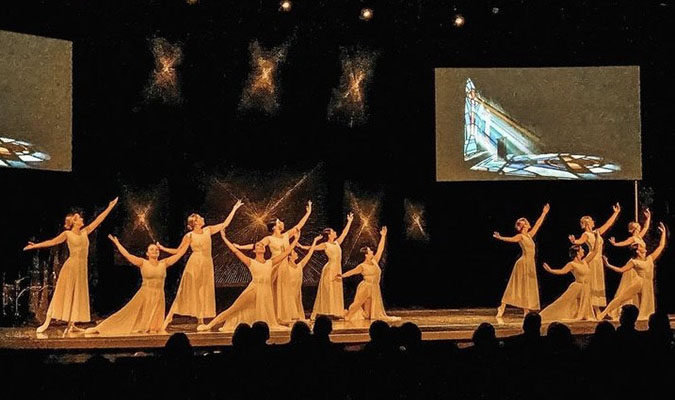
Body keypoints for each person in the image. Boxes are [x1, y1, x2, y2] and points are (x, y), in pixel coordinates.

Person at [24, 197, 119, 335]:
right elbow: (52, 242)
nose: (82, 220)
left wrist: (110, 207)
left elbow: (99, 220)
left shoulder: (85, 232)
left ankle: (72, 324)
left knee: (77, 295)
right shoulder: (67, 234)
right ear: (74, 221)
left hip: (81, 268)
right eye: (79, 218)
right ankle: (47, 322)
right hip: (71, 266)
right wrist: (35, 246)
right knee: (62, 294)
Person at [159, 200, 243, 330]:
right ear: (196, 222)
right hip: (195, 263)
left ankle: (200, 319)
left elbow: (225, 224)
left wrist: (234, 209)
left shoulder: (208, 230)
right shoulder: (189, 235)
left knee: (202, 291)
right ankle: (169, 317)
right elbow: (179, 251)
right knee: (186, 290)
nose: (203, 219)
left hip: (206, 263)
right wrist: (163, 249)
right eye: (200, 218)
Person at [196, 229, 300, 332]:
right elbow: (235, 251)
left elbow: (286, 252)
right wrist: (224, 238)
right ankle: (209, 325)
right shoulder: (251, 262)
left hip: (265, 292)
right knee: (233, 309)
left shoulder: (270, 262)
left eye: (262, 245)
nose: (261, 246)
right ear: (254, 250)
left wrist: (296, 239)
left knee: (260, 315)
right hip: (254, 290)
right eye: (258, 245)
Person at [86, 235, 189, 335]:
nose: (155, 251)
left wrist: (187, 243)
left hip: (159, 295)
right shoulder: (143, 263)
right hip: (145, 294)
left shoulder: (164, 263)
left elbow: (179, 254)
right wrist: (117, 243)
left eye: (156, 250)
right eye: (152, 250)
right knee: (129, 314)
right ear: (147, 254)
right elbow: (127, 255)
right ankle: (102, 328)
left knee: (155, 327)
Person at [599, 222, 667, 320]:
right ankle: (604, 313)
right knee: (622, 298)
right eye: (641, 246)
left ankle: (635, 317)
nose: (644, 246)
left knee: (643, 308)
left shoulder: (650, 258)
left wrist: (663, 233)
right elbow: (621, 269)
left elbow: (661, 246)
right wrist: (608, 264)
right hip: (639, 282)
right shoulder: (634, 262)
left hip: (647, 284)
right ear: (638, 251)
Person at [493, 204, 550, 321]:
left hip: (530, 264)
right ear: (523, 225)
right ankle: (502, 307)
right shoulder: (520, 236)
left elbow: (538, 224)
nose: (529, 223)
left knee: (527, 287)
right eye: (527, 222)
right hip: (522, 263)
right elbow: (511, 239)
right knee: (515, 286)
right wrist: (501, 238)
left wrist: (544, 213)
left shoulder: (529, 235)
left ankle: (526, 310)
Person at [337, 226, 401, 322]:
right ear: (366, 254)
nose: (372, 252)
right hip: (365, 287)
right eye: (370, 251)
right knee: (357, 303)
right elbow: (352, 272)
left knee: (367, 315)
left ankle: (347, 313)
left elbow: (380, 249)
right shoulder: (362, 266)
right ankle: (347, 315)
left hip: (374, 288)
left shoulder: (374, 261)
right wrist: (342, 275)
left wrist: (383, 236)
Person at [568, 203, 621, 312]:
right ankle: (594, 310)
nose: (593, 222)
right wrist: (574, 241)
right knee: (592, 283)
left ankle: (596, 309)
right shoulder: (586, 234)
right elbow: (580, 241)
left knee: (598, 283)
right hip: (592, 259)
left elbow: (608, 224)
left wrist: (616, 213)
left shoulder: (596, 232)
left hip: (598, 260)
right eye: (592, 221)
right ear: (587, 223)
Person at [539, 232, 601, 321]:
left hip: (586, 288)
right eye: (581, 249)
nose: (583, 250)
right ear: (577, 252)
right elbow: (562, 271)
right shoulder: (572, 264)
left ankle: (579, 314)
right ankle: (544, 315)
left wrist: (597, 239)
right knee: (563, 302)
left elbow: (595, 251)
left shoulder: (585, 261)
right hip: (578, 286)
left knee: (578, 305)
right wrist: (551, 270)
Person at [306, 213, 354, 319]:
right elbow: (312, 248)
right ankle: (324, 312)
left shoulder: (337, 243)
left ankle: (335, 312)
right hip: (330, 269)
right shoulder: (325, 245)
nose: (335, 232)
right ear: (329, 235)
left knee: (336, 290)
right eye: (333, 231)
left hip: (337, 269)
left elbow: (345, 234)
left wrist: (349, 221)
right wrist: (301, 246)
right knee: (328, 290)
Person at [275, 234, 323, 324]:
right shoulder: (285, 267)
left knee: (297, 314)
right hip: (287, 294)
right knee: (290, 314)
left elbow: (309, 254)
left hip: (296, 293)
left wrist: (315, 241)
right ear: (289, 256)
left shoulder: (299, 266)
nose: (296, 254)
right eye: (294, 253)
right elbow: (282, 255)